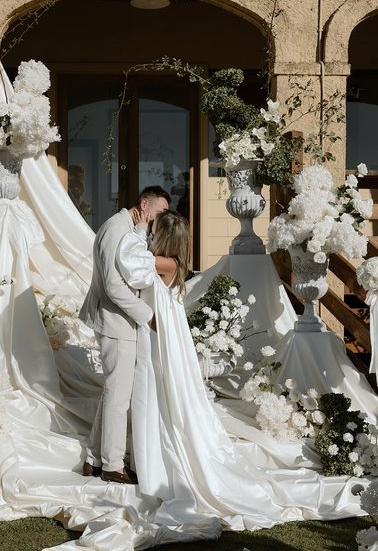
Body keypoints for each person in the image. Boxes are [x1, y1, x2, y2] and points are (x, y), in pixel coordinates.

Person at [116, 210, 334, 531]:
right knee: (154, 399)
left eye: (154, 232)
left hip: (161, 343)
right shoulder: (169, 264)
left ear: (163, 238)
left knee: (159, 399)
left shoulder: (168, 265)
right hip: (160, 338)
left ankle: (155, 466)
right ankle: (145, 459)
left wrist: (133, 227)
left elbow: (126, 259)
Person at [78, 185, 170, 484]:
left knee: (114, 392)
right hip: (115, 320)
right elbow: (113, 285)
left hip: (123, 320)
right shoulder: (115, 229)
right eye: (161, 213)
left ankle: (94, 458)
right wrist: (148, 316)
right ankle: (112, 465)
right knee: (119, 396)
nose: (161, 219)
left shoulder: (132, 228)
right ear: (144, 204)